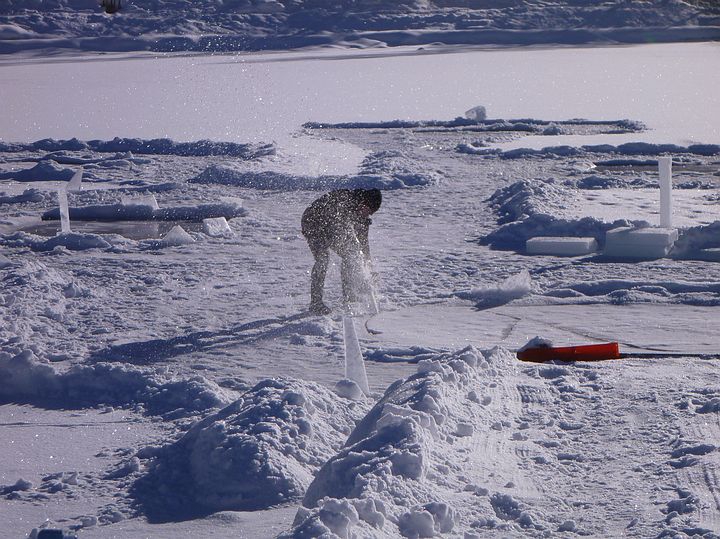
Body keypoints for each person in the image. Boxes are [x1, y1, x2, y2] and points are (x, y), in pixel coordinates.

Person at [301, 188, 382, 315]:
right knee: (322, 259)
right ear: (364, 202)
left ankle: (349, 296)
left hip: (330, 227)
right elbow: (338, 225)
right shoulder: (344, 199)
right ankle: (316, 303)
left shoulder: (361, 214)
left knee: (349, 254)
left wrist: (368, 265)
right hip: (312, 222)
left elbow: (363, 244)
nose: (367, 215)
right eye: (368, 211)